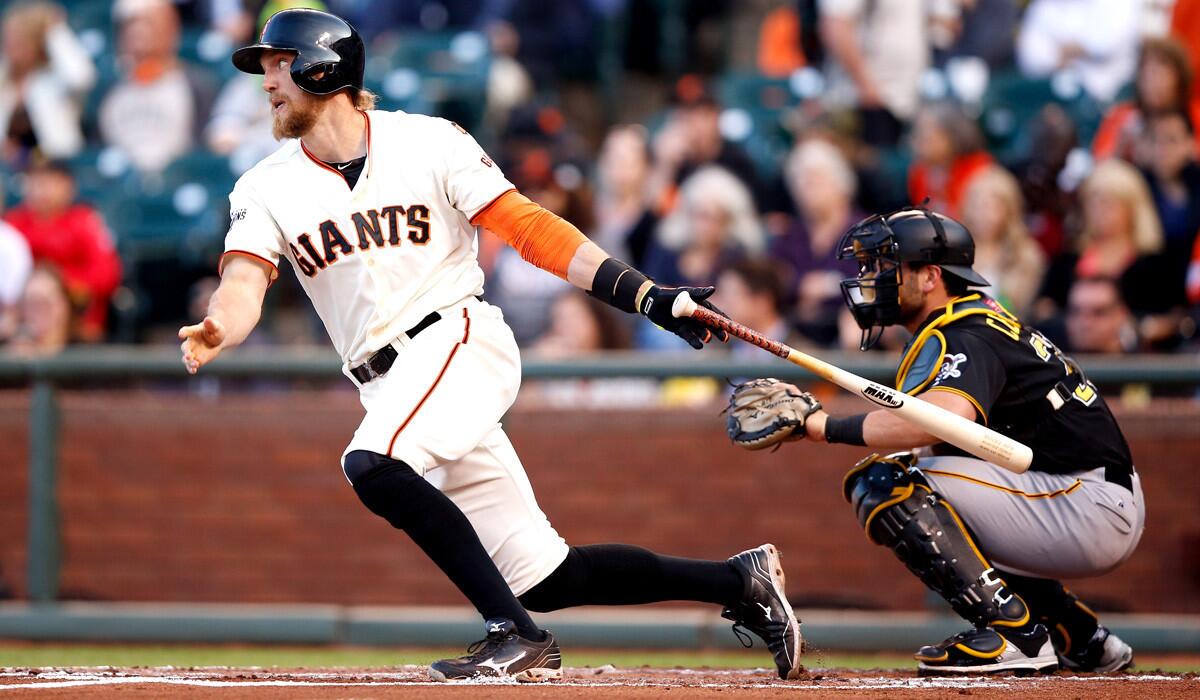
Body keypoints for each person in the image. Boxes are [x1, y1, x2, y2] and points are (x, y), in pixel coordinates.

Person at [178, 8, 802, 683]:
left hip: (457, 338)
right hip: (391, 383)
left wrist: (643, 294)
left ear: (322, 67)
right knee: (548, 575)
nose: (266, 81)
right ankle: (740, 584)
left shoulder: (428, 142)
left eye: (277, 64)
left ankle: (513, 637)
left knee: (372, 463)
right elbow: (244, 282)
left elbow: (530, 230)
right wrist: (220, 325)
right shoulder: (265, 184)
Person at [725, 207, 1143, 674]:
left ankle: (1015, 635)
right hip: (1078, 493)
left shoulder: (964, 333)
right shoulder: (970, 321)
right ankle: (1080, 637)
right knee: (923, 478)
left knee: (889, 482)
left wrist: (822, 425)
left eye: (885, 266)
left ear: (929, 277)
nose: (870, 278)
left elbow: (941, 421)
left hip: (1084, 501)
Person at [3, 159, 121, 341]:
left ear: (68, 186)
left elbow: (107, 275)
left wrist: (58, 282)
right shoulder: (13, 224)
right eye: (35, 182)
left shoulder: (84, 221)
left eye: (49, 183)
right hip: (19, 316)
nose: (41, 190)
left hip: (78, 317)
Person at [99, 0, 216, 174]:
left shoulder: (196, 85)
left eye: (149, 25)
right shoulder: (110, 88)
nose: (140, 34)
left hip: (177, 176)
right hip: (122, 183)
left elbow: (204, 145)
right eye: (132, 28)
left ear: (170, 31)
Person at [0, 0, 95, 167]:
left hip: (56, 170)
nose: (12, 46)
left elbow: (82, 77)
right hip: (10, 173)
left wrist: (56, 30)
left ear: (37, 42)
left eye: (20, 40)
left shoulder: (53, 81)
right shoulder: (4, 81)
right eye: (8, 38)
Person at [959, 165, 1046, 317]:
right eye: (977, 206)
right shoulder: (954, 250)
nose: (984, 215)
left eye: (992, 207)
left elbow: (1016, 306)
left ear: (1009, 210)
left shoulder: (1025, 255)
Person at [1016, 0, 1140, 104]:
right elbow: (1029, 57)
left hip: (1111, 95)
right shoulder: (1045, 5)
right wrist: (1074, 52)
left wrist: (1067, 51)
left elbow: (1107, 44)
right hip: (1056, 92)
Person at [907, 102, 992, 220]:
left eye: (930, 137)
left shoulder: (978, 171)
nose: (920, 141)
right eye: (918, 133)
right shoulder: (919, 172)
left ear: (952, 137)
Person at [3, 263, 76, 357]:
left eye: (44, 304)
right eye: (30, 304)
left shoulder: (85, 350)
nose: (36, 313)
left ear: (63, 306)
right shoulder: (11, 349)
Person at [1064, 277, 1137, 354]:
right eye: (1076, 312)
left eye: (1099, 313)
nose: (1085, 324)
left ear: (1121, 315)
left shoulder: (1145, 361)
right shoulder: (1053, 363)